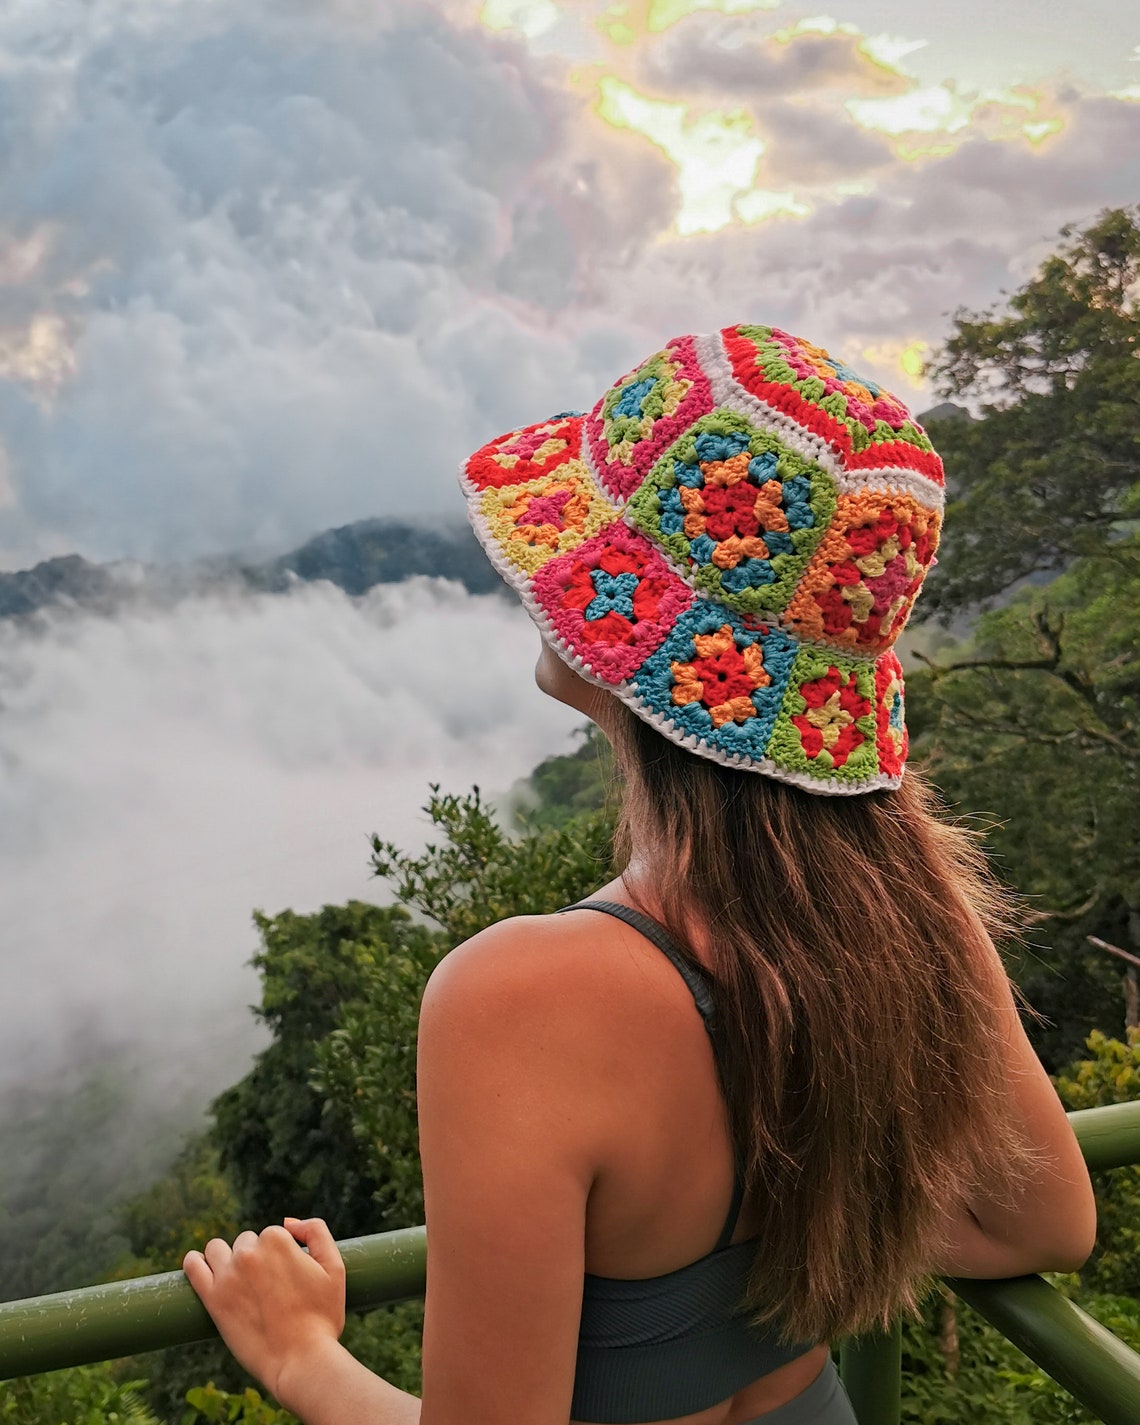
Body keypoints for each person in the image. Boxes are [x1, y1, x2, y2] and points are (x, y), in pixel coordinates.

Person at [184, 325, 1097, 1425]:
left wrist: (297, 1355)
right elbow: (1045, 1225)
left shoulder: (518, 999)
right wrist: (833, 1217)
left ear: (641, 627)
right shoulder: (907, 912)